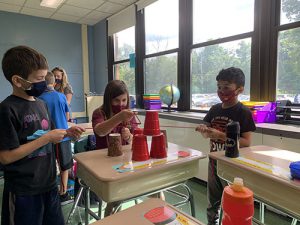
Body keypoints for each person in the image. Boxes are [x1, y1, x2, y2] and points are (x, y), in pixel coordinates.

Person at [0, 45, 85, 225]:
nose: (44, 84)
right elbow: (6, 157)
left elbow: (51, 134)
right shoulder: (7, 109)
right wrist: (45, 138)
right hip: (23, 191)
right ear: (17, 80)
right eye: (39, 79)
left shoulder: (41, 104)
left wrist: (68, 133)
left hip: (48, 185)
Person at [195, 67, 256, 225]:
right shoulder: (214, 109)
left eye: (226, 87)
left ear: (239, 90)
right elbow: (205, 129)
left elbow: (246, 142)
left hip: (232, 165)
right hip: (214, 162)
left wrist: (221, 135)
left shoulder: (243, 112)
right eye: (219, 87)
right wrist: (204, 129)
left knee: (232, 202)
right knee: (212, 201)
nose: (222, 91)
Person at [92, 80, 138, 215]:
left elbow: (136, 138)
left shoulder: (129, 114)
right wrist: (119, 117)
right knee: (114, 199)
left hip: (125, 164)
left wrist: (129, 137)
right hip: (105, 164)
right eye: (116, 101)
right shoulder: (99, 113)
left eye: (124, 100)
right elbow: (100, 131)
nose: (121, 104)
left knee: (154, 190)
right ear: (108, 100)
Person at [39, 71, 73, 205]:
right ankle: (63, 194)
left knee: (49, 166)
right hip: (63, 136)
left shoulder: (39, 99)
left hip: (47, 138)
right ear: (54, 83)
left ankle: (50, 193)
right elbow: (67, 117)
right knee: (64, 167)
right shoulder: (61, 96)